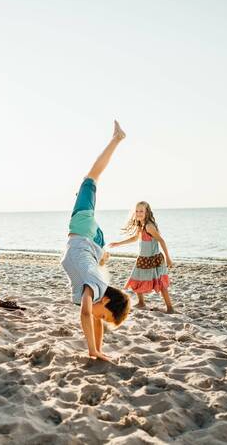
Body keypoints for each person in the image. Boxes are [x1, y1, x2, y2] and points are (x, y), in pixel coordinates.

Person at [61, 120, 131, 362]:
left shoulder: (98, 289)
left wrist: (98, 350)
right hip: (84, 232)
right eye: (105, 316)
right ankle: (117, 138)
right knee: (92, 178)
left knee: (88, 183)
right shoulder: (95, 286)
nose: (99, 318)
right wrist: (92, 351)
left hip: (90, 240)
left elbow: (93, 318)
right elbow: (86, 314)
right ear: (108, 300)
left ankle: (102, 254)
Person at [109, 202, 174, 312]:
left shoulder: (149, 226)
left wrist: (168, 257)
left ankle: (170, 308)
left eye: (141, 211)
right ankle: (141, 303)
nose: (139, 213)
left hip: (154, 259)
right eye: (137, 211)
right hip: (143, 259)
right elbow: (135, 238)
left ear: (147, 212)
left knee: (160, 283)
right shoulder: (141, 225)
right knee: (136, 278)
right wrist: (118, 243)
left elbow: (161, 240)